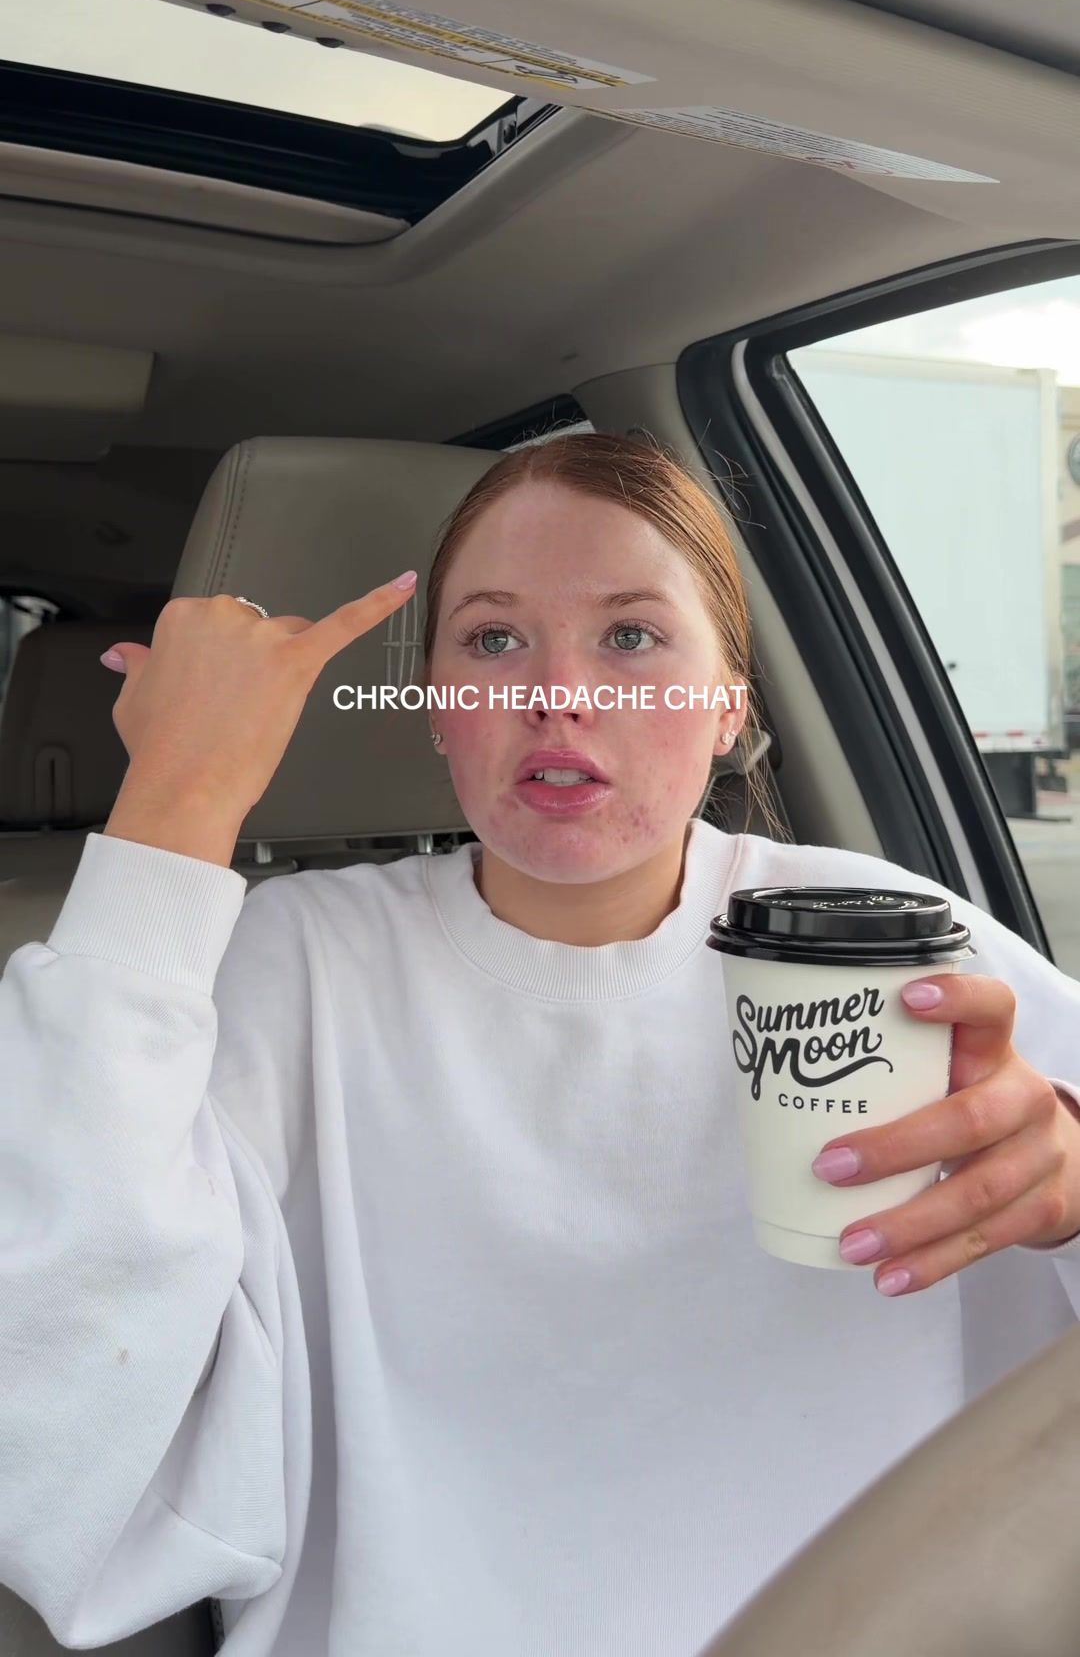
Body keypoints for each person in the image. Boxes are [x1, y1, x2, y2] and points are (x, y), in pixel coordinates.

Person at [2, 431, 1080, 1657]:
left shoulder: (891, 940)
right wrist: (175, 804)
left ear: (729, 702)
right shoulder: (276, 969)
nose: (557, 694)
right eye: (493, 641)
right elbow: (49, 1432)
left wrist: (1069, 1193)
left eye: (631, 636)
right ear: (435, 706)